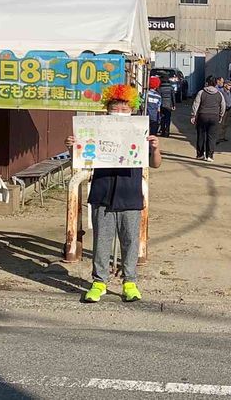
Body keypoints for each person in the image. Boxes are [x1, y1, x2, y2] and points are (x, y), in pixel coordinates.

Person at [66, 84, 162, 304]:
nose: (119, 112)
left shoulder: (139, 132)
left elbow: (156, 164)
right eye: (114, 108)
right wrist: (72, 146)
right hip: (102, 192)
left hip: (130, 194)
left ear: (132, 109)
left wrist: (155, 148)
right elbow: (80, 158)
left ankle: (130, 282)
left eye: (124, 108)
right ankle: (99, 282)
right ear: (107, 109)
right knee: (102, 240)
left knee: (130, 240)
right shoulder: (96, 130)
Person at [191, 76, 226, 162]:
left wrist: (193, 115)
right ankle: (209, 156)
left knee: (201, 135)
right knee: (212, 137)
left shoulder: (201, 92)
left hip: (202, 116)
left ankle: (200, 155)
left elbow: (196, 104)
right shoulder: (219, 94)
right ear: (215, 84)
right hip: (214, 117)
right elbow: (223, 106)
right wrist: (221, 115)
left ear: (207, 83)